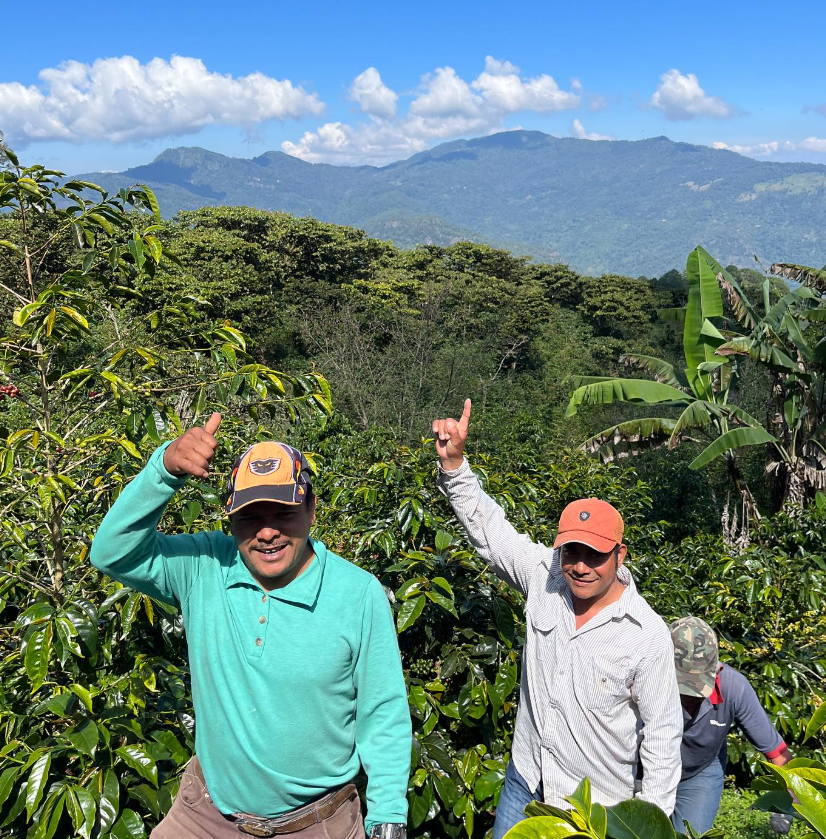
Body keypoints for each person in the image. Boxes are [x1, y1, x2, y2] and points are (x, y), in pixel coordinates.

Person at [90, 413, 411, 839]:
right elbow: (112, 553)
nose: (267, 532)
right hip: (205, 814)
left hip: (316, 824)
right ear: (229, 521)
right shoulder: (205, 565)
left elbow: (382, 709)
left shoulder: (357, 593)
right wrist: (164, 469)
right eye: (248, 517)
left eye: (282, 513)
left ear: (311, 509)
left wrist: (388, 812)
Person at [431, 400, 682, 839]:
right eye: (572, 552)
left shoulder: (647, 636)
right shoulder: (544, 576)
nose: (581, 566)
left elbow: (662, 739)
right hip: (526, 781)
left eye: (596, 555)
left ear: (620, 555)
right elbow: (492, 531)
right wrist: (454, 466)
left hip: (597, 808)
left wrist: (649, 827)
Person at [670, 616, 794, 835]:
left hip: (699, 771)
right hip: (641, 768)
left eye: (696, 687)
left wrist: (790, 799)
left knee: (690, 835)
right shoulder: (642, 678)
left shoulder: (734, 687)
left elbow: (777, 752)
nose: (689, 697)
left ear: (715, 672)